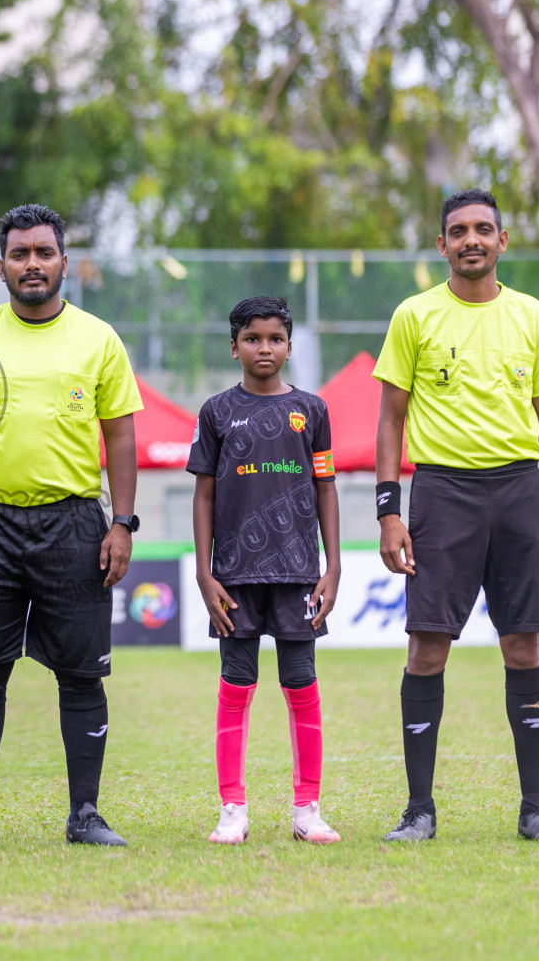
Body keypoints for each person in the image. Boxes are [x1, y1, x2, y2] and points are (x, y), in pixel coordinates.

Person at [374, 188, 539, 843]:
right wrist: (389, 508)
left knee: (523, 644)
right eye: (458, 230)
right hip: (442, 494)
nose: (471, 240)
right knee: (427, 647)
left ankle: (535, 810)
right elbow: (390, 417)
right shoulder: (414, 316)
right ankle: (418, 810)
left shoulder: (532, 317)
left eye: (483, 230)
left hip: (522, 494)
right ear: (442, 245)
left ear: (502, 241)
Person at [0, 203, 143, 848]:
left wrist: (123, 523)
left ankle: (85, 814)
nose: (32, 264)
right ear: (1, 267)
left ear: (64, 262)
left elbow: (122, 436)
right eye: (20, 254)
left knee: (82, 674)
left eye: (44, 252)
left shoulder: (98, 338)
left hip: (75, 523)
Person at [189, 296, 341, 846]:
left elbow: (326, 488)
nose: (265, 348)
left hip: (299, 573)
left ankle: (308, 809)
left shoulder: (313, 410)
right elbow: (203, 495)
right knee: (237, 684)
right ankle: (233, 808)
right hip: (233, 577)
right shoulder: (216, 412)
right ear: (235, 347)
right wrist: (207, 573)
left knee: (301, 683)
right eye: (253, 339)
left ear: (290, 346)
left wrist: (333, 565)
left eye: (275, 338)